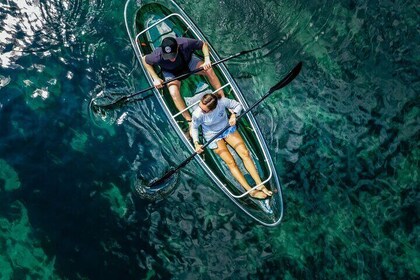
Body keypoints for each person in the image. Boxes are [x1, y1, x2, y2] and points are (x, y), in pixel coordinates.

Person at [190, 93, 273, 200]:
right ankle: (250, 191)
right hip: (212, 136)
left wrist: (234, 114)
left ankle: (260, 184)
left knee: (245, 153)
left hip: (227, 128)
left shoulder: (222, 101)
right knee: (231, 162)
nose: (201, 110)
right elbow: (194, 128)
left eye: (204, 110)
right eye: (200, 106)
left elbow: (238, 105)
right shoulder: (197, 114)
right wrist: (196, 143)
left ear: (214, 108)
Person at [142, 36, 224, 124]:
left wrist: (207, 59)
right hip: (171, 72)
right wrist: (156, 78)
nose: (171, 58)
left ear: (177, 47)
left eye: (173, 55)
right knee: (173, 92)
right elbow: (144, 60)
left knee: (209, 70)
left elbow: (203, 44)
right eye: (168, 56)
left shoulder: (185, 42)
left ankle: (222, 98)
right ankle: (189, 120)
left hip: (188, 63)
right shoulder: (156, 55)